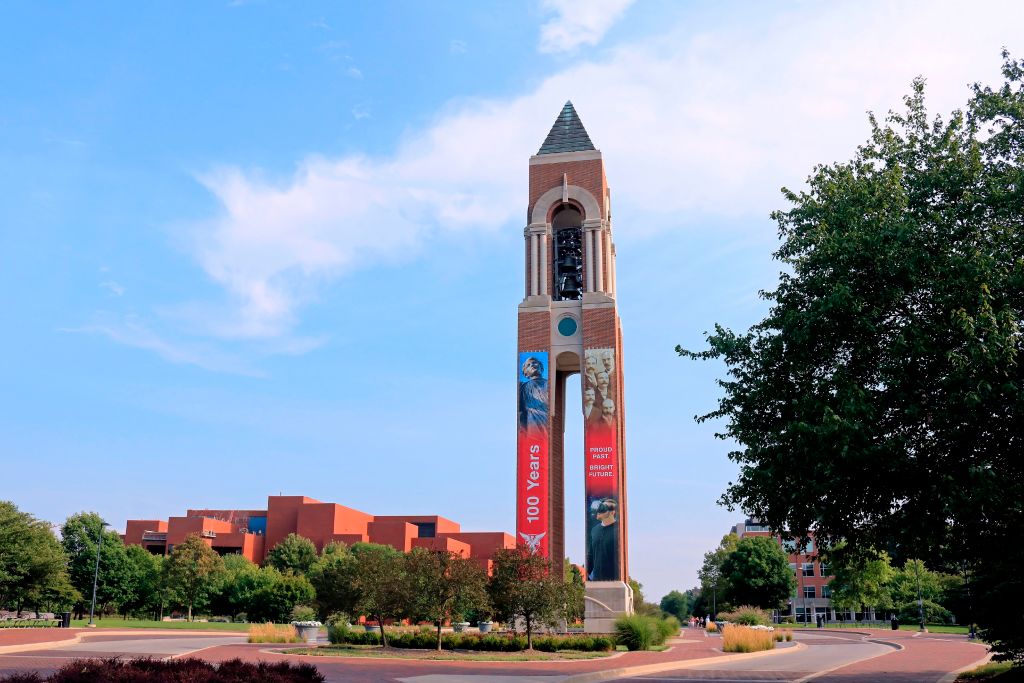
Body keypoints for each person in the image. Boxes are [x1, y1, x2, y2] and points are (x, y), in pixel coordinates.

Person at [587, 498, 618, 580]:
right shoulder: (595, 530)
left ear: (612, 512)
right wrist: (586, 573)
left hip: (613, 578)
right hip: (597, 578)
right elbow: (591, 555)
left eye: (603, 507)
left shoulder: (618, 529)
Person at [518, 356, 549, 434]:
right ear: (526, 374)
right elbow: (520, 410)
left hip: (547, 421)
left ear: (541, 368)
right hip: (532, 425)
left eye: (534, 362)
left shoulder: (549, 384)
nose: (532, 365)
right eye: (528, 365)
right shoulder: (522, 387)